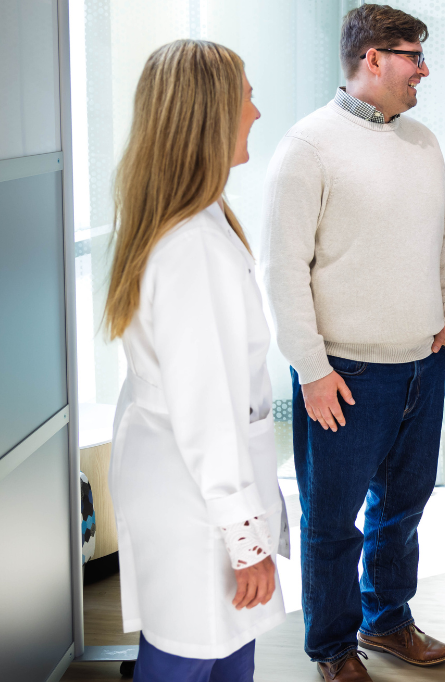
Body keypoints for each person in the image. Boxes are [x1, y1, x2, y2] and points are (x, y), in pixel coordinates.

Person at [262, 4, 445, 682]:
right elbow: (282, 271)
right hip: (344, 374)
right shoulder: (308, 147)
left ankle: (387, 620)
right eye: (414, 56)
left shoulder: (424, 143)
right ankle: (332, 646)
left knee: (402, 509)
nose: (424, 71)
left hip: (422, 363)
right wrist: (311, 369)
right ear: (373, 59)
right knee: (332, 522)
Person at [106, 39, 286, 682]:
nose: (256, 113)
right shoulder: (194, 246)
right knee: (188, 656)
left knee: (224, 649)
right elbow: (207, 411)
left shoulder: (192, 221)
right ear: (207, 115)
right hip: (197, 500)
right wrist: (244, 537)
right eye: (247, 98)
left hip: (187, 484)